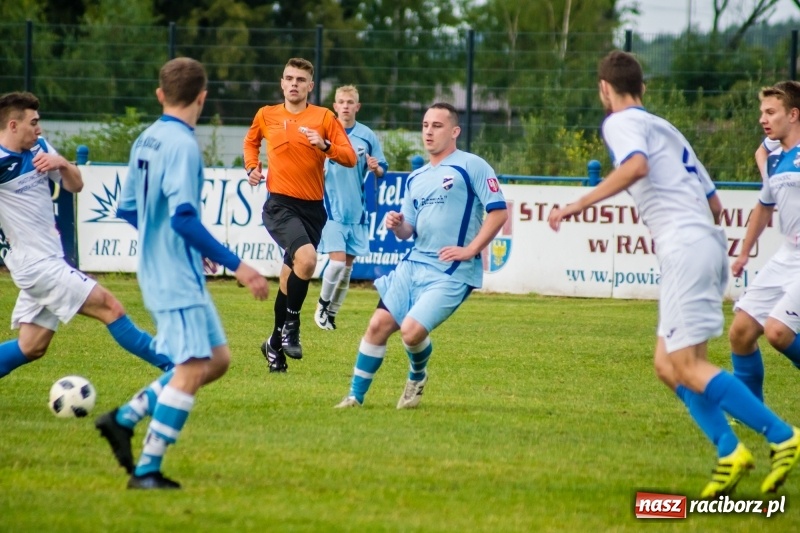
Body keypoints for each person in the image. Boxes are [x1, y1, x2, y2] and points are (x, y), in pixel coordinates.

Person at [547, 51, 800, 497]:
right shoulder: (666, 128)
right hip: (699, 243)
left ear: (605, 89)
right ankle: (730, 451)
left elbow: (636, 166)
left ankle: (783, 436)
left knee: (687, 364)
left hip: (685, 246)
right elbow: (716, 203)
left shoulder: (620, 123)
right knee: (669, 366)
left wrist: (577, 203)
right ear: (641, 86)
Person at [94, 57, 268, 490]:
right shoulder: (184, 146)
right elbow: (184, 220)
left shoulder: (146, 138)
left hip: (165, 268)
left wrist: (172, 244)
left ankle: (124, 417)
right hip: (174, 274)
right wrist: (239, 266)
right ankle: (147, 469)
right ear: (203, 98)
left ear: (160, 95)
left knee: (217, 360)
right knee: (191, 368)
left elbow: (128, 209)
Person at [334, 102, 508, 409]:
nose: (428, 131)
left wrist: (471, 250)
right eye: (425, 125)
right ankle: (354, 397)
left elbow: (498, 212)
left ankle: (417, 376)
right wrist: (398, 225)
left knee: (411, 333)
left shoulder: (472, 166)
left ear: (455, 131)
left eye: (437, 126)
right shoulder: (417, 177)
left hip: (452, 269)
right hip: (415, 263)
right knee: (377, 326)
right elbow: (408, 231)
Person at [0, 91, 173, 381]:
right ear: (13, 125)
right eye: (33, 122)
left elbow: (76, 185)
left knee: (32, 346)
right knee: (110, 306)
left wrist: (63, 164)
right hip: (37, 265)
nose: (39, 128)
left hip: (48, 259)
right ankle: (174, 365)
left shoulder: (40, 148)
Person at [244, 57, 356, 372]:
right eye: (288, 78)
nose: (294, 83)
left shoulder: (323, 117)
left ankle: (274, 346)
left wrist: (325, 145)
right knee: (306, 261)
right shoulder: (267, 115)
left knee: (287, 281)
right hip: (279, 204)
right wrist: (252, 168)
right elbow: (251, 142)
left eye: (300, 79)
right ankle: (291, 327)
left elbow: (349, 157)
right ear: (282, 83)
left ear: (310, 85)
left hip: (312, 209)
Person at [728, 81, 800, 405]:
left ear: (794, 114)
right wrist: (744, 252)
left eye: (771, 112)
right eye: (762, 112)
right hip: (789, 252)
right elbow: (764, 206)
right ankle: (750, 411)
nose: (762, 119)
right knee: (741, 332)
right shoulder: (774, 159)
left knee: (777, 331)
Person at [314, 85, 388, 331]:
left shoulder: (367, 136)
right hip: (331, 210)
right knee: (335, 264)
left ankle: (331, 315)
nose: (345, 106)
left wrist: (376, 167)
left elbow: (381, 170)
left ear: (357, 106)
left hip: (356, 212)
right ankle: (321, 307)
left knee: (346, 270)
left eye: (350, 102)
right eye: (341, 102)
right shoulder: (324, 132)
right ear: (334, 106)